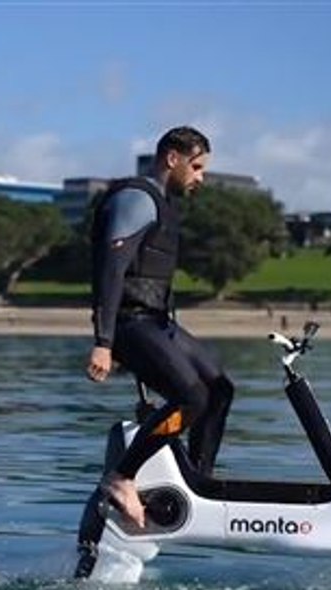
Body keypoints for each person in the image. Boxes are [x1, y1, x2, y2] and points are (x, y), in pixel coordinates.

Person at [85, 126, 234, 530]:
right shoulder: (136, 198)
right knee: (191, 398)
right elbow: (112, 270)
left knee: (219, 389)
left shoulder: (164, 204)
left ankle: (197, 481)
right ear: (173, 158)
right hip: (129, 323)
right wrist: (104, 342)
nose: (200, 177)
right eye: (197, 166)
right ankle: (121, 477)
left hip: (156, 322)